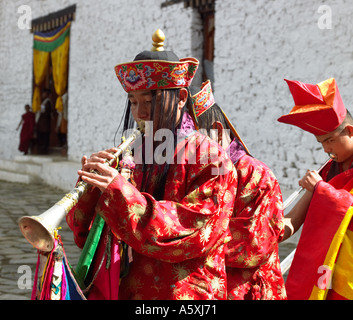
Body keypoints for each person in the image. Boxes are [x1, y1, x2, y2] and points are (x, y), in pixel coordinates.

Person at [66, 31, 237, 300]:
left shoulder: (211, 158)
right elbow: (88, 236)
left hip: (185, 293)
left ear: (181, 98)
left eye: (150, 101)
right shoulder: (133, 155)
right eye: (134, 102)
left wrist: (119, 192)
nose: (140, 113)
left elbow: (194, 232)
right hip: (129, 289)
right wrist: (92, 189)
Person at [190, 80, 286, 300]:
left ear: (215, 131)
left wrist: (187, 241)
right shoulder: (189, 173)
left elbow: (254, 243)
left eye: (191, 140)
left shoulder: (257, 176)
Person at [278, 77, 353, 300]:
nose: (326, 150)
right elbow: (293, 221)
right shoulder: (329, 170)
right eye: (321, 143)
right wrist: (263, 228)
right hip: (326, 273)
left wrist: (321, 190)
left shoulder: (322, 183)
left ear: (350, 130)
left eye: (330, 140)